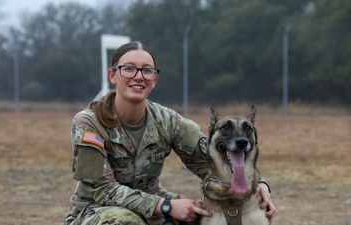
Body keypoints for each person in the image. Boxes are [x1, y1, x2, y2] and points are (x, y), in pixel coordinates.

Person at [64, 41, 276, 225]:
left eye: (147, 70)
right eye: (129, 69)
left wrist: (259, 185)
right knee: (124, 221)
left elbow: (212, 160)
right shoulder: (89, 122)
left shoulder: (168, 121)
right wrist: (165, 205)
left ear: (154, 79)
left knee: (200, 216)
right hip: (97, 212)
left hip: (153, 209)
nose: (139, 77)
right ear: (113, 75)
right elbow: (102, 189)